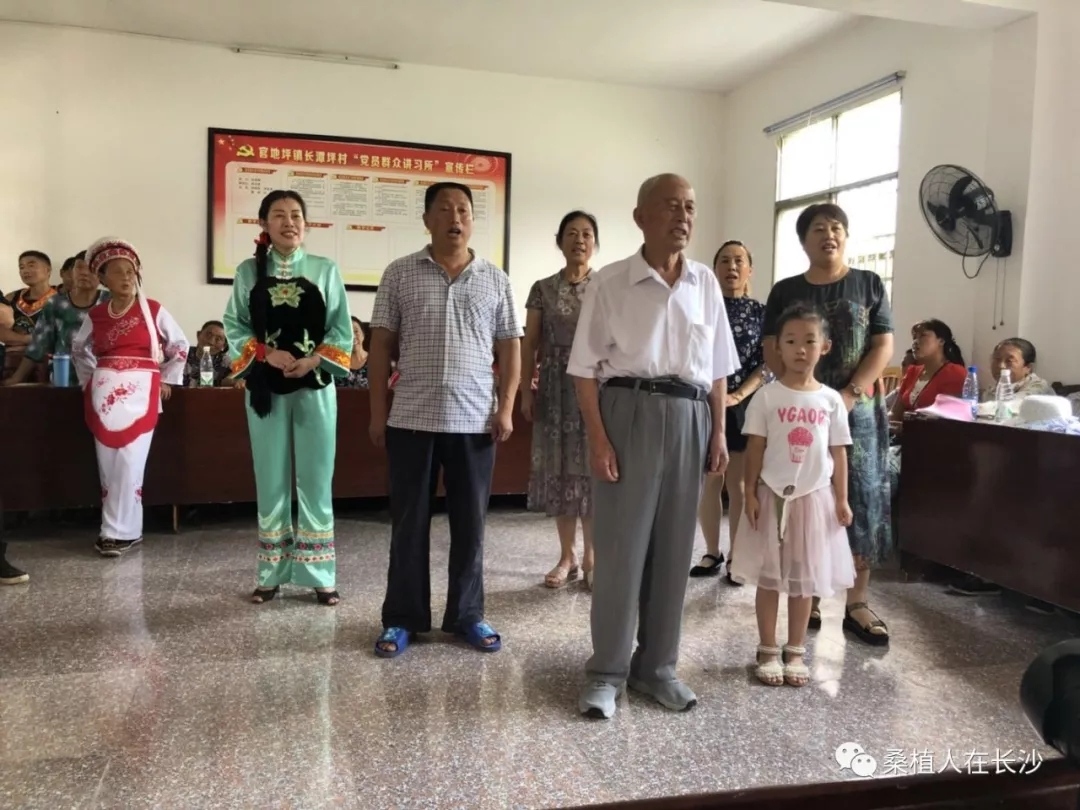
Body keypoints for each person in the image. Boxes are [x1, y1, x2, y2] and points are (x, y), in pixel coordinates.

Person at [568, 173, 738, 718]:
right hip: (629, 412)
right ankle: (607, 672)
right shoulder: (610, 282)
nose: (682, 216)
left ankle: (657, 668)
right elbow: (583, 370)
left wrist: (718, 431)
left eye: (689, 207)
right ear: (641, 217)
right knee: (621, 550)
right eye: (670, 206)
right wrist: (599, 439)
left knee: (673, 552)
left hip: (690, 415)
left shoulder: (705, 282)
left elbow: (717, 368)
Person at [368, 181, 522, 658]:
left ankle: (467, 616)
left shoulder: (495, 279)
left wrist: (506, 407)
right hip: (411, 418)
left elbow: (510, 348)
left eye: (464, 211)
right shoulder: (399, 273)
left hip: (474, 422)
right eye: (445, 209)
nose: (456, 218)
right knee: (408, 525)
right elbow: (380, 347)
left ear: (472, 221)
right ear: (427, 219)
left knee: (471, 527)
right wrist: (377, 413)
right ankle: (402, 618)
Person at [762, 203, 894, 647]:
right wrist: (800, 391)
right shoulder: (786, 290)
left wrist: (850, 393)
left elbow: (882, 345)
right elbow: (771, 347)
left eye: (836, 227)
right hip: (801, 409)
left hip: (858, 409)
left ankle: (858, 602)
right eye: (818, 228)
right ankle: (811, 594)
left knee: (860, 497)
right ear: (804, 241)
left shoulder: (869, 283)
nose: (829, 235)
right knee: (807, 497)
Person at [224, 190, 352, 606]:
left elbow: (341, 329)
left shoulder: (325, 269)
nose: (289, 222)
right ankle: (270, 572)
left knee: (317, 477)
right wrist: (266, 354)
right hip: (266, 387)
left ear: (306, 224)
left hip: (315, 386)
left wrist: (314, 360)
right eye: (278, 215)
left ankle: (320, 573)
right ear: (264, 224)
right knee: (270, 477)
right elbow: (234, 326)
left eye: (296, 214)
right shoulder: (248, 271)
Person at [731, 304, 856, 686]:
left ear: (825, 347)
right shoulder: (767, 397)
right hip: (772, 495)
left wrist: (841, 498)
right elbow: (755, 448)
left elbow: (838, 453)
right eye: (791, 341)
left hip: (814, 499)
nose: (800, 349)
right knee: (769, 578)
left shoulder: (831, 400)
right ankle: (768, 646)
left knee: (804, 579)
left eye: (809, 341)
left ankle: (796, 648)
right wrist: (749, 492)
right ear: (777, 348)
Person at [71, 238, 189, 557]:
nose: (126, 277)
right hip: (105, 392)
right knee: (108, 462)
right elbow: (79, 349)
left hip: (141, 389)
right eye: (118, 272)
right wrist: (90, 381)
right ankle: (123, 531)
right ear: (103, 278)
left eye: (130, 271)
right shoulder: (97, 314)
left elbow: (179, 345)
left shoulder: (153, 310)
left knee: (130, 459)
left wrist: (167, 378)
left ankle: (117, 532)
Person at [521, 210, 597, 590]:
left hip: (596, 388)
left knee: (592, 471)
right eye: (571, 233)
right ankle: (567, 556)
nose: (579, 240)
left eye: (586, 234)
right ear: (559, 241)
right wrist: (525, 390)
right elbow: (529, 344)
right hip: (554, 388)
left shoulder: (606, 287)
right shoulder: (542, 288)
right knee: (561, 470)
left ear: (594, 243)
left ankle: (593, 557)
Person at [690, 240, 767, 585]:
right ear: (714, 269)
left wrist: (739, 394)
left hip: (744, 405)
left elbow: (768, 364)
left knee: (738, 483)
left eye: (739, 261)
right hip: (702, 401)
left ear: (750, 269)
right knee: (710, 479)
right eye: (724, 260)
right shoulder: (700, 308)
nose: (731, 267)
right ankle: (711, 552)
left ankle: (737, 555)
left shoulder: (761, 312)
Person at [4, 252, 107, 386]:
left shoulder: (110, 302)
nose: (84, 273)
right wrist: (17, 378)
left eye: (91, 269)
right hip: (65, 378)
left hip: (104, 378)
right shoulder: (56, 303)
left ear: (102, 275)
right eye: (79, 267)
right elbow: (38, 345)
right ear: (72, 272)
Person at [890, 319, 967, 429]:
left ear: (941, 341)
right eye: (914, 337)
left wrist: (906, 429)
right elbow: (894, 413)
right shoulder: (912, 371)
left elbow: (949, 423)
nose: (915, 342)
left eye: (922, 336)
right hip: (903, 435)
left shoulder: (956, 373)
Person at [1, 251, 57, 346]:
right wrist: (29, 339)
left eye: (31, 266)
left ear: (47, 270)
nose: (25, 271)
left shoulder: (61, 301)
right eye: (21, 267)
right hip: (10, 352)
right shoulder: (11, 297)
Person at [982, 338, 1054, 403]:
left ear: (1028, 367)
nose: (1001, 366)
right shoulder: (992, 391)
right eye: (997, 359)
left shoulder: (1039, 386)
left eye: (1009, 361)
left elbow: (1011, 405)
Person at [183, 319, 238, 387]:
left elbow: (233, 379)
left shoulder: (227, 362)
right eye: (208, 335)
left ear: (224, 345)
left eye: (218, 339)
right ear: (198, 335)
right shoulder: (182, 353)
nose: (211, 341)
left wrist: (235, 380)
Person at [335, 316, 370, 389]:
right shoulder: (336, 364)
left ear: (363, 334)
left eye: (356, 331)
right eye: (348, 332)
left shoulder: (377, 361)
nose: (353, 336)